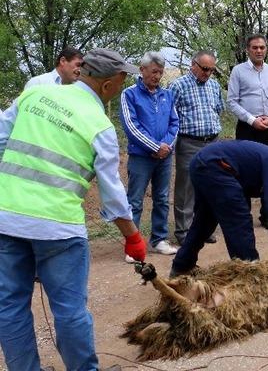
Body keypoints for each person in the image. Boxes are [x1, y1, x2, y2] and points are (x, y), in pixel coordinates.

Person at [0, 48, 147, 371]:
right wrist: (133, 237)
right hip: (58, 229)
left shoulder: (34, 96)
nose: (121, 87)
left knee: (10, 306)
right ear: (108, 85)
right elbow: (113, 195)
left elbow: (1, 137)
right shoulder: (99, 126)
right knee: (69, 310)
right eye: (122, 81)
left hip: (7, 219)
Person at [170, 141, 268, 277]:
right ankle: (251, 276)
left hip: (204, 164)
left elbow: (246, 186)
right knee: (239, 222)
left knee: (204, 222)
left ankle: (182, 266)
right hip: (216, 166)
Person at [119, 51, 180, 260]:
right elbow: (131, 126)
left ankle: (159, 239)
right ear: (142, 70)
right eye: (154, 71)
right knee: (135, 201)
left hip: (165, 157)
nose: (157, 76)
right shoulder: (129, 94)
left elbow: (175, 123)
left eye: (160, 72)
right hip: (141, 157)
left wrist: (167, 146)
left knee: (162, 198)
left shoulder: (167, 95)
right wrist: (155, 147)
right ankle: (132, 246)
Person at [169, 50, 225, 246]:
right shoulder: (178, 85)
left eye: (211, 70)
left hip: (212, 142)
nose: (208, 73)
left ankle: (204, 228)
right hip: (189, 142)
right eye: (204, 69)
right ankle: (184, 231)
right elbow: (170, 114)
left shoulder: (214, 85)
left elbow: (218, 108)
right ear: (193, 65)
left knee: (210, 185)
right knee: (187, 187)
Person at [227, 33, 268, 149]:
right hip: (247, 127)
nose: (259, 51)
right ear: (247, 50)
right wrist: (252, 120)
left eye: (262, 47)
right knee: (247, 164)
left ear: (266, 49)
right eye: (255, 48)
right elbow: (231, 101)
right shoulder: (238, 71)